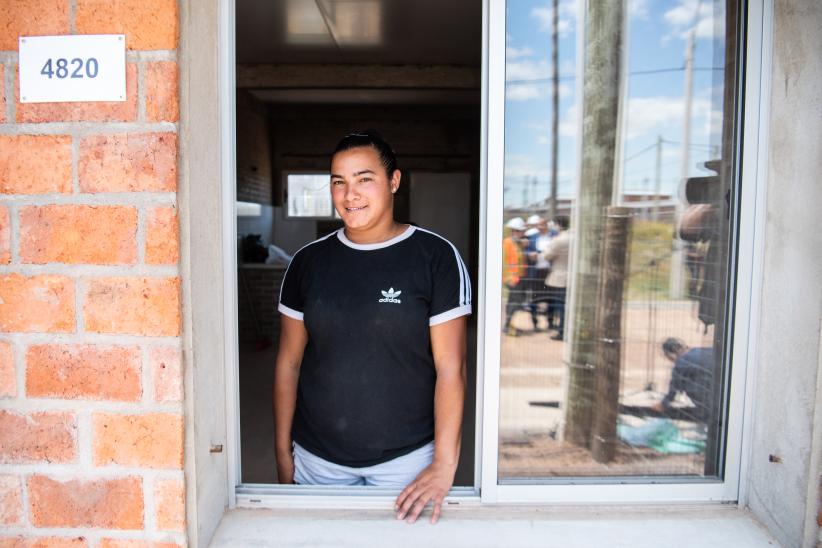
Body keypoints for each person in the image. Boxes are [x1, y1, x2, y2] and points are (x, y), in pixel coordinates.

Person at [274, 130, 471, 525]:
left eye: (365, 179)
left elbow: (452, 369)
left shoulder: (435, 257)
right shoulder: (307, 263)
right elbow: (289, 364)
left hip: (406, 464)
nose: (350, 195)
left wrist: (445, 464)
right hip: (318, 462)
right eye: (338, 182)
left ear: (394, 181)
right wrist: (283, 452)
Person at [651, 337, 713, 423]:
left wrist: (663, 404)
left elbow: (673, 390)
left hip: (710, 400)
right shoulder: (700, 350)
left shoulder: (681, 363)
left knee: (684, 382)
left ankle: (704, 412)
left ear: (671, 353)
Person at [541, 215, 571, 340]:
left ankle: (562, 331)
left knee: (561, 305)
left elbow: (547, 256)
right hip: (572, 276)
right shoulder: (575, 236)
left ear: (558, 224)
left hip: (560, 277)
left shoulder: (559, 240)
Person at [524, 215, 552, 330]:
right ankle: (535, 323)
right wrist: (529, 254)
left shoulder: (553, 236)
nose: (540, 227)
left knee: (550, 298)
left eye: (542, 225)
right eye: (538, 225)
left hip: (550, 272)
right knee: (534, 299)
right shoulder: (531, 237)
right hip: (536, 272)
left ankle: (550, 323)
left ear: (546, 226)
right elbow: (525, 250)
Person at [502, 217, 527, 336]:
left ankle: (509, 325)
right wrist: (508, 278)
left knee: (515, 302)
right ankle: (507, 326)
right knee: (514, 302)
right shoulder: (507, 243)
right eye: (521, 231)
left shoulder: (518, 243)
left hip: (518, 278)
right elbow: (504, 262)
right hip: (512, 279)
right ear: (515, 231)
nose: (522, 233)